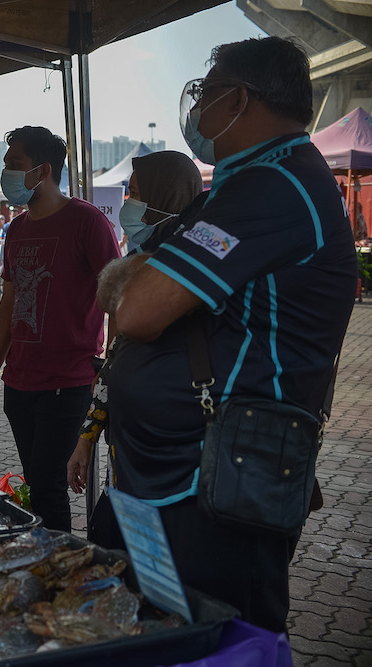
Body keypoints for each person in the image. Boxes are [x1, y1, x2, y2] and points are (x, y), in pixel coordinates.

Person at [101, 37, 355, 633]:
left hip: (216, 484)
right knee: (155, 626)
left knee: (215, 637)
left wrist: (141, 285)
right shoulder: (247, 185)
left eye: (205, 93)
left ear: (239, 99)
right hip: (170, 478)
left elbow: (134, 308)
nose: (196, 110)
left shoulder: (276, 187)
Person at [0, 126, 120, 533]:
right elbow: (7, 305)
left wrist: (106, 372)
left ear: (42, 171)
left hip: (68, 382)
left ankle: (60, 569)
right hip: (20, 382)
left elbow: (116, 300)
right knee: (38, 483)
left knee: (49, 488)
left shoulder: (86, 221)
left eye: (14, 165)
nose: (6, 173)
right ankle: (50, 562)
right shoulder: (17, 229)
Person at [65, 151, 204, 520]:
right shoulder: (140, 261)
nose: (129, 204)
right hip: (125, 458)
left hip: (173, 471)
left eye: (137, 193)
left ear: (167, 197)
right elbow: (116, 360)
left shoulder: (189, 279)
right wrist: (87, 438)